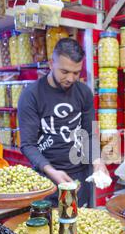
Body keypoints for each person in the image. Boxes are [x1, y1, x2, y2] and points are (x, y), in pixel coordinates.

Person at [18, 38, 109, 206]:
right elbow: (27, 144)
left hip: (80, 175)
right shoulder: (31, 95)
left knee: (80, 227)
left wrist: (97, 160)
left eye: (76, 73)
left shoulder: (84, 92)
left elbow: (89, 133)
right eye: (64, 71)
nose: (71, 78)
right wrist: (51, 171)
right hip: (46, 179)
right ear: (51, 63)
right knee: (50, 228)